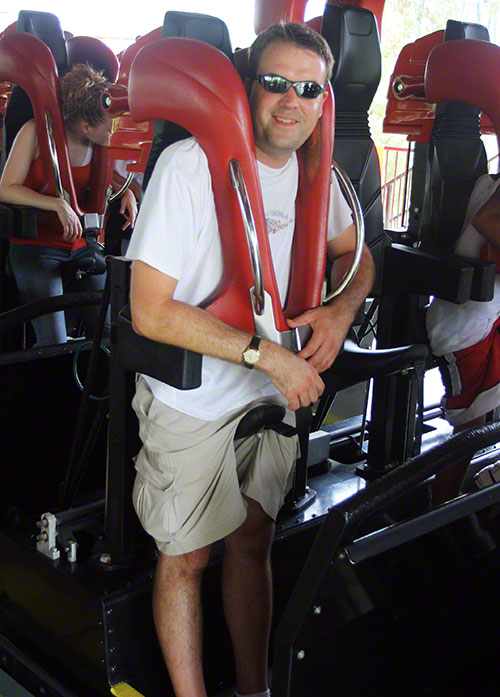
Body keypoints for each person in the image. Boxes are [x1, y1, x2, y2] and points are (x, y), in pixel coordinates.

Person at [126, 22, 374, 697]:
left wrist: (340, 309)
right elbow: (148, 311)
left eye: (307, 88)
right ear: (247, 85)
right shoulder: (188, 166)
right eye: (274, 82)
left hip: (268, 394)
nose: (290, 100)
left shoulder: (321, 177)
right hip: (195, 397)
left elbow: (361, 258)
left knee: (254, 538)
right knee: (187, 556)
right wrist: (268, 355)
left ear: (324, 101)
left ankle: (253, 687)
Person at [0, 63, 137, 346]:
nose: (113, 131)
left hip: (81, 246)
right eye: (108, 126)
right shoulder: (35, 132)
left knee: (108, 333)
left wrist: (126, 192)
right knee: (54, 341)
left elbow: (104, 177)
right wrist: (56, 204)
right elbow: (6, 189)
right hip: (37, 247)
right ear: (86, 127)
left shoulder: (97, 144)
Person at [426, 172, 500, 504]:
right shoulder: (492, 191)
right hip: (466, 322)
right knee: (471, 422)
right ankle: (439, 512)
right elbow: (486, 220)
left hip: (489, 317)